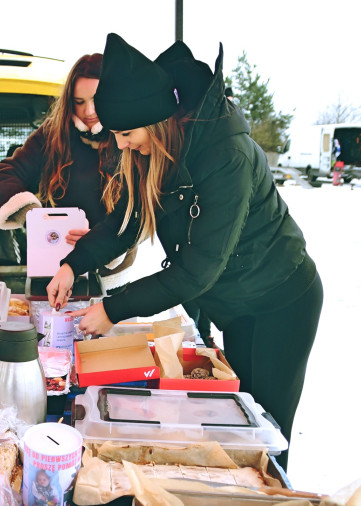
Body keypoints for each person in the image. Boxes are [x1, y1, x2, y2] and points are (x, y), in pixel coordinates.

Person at [47, 34, 323, 470]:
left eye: (125, 134)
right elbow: (127, 221)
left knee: (264, 430)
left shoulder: (226, 156)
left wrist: (113, 309)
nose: (119, 145)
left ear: (155, 121)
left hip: (279, 299)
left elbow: (196, 272)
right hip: (232, 301)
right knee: (233, 424)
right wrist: (70, 264)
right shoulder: (153, 151)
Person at [0, 54, 159, 295]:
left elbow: (145, 211)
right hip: (57, 272)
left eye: (96, 100)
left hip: (112, 276)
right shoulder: (52, 134)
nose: (88, 110)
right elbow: (6, 174)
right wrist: (33, 218)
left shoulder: (130, 136)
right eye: (79, 101)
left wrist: (102, 243)